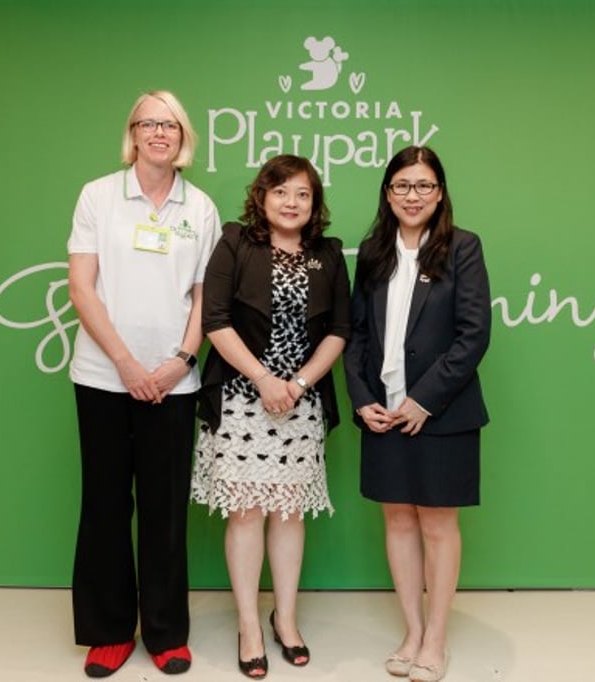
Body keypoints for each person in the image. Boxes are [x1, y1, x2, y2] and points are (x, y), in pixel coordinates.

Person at [66, 89, 220, 678]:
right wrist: (127, 364)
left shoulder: (199, 207)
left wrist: (181, 359)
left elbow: (207, 296)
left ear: (184, 139)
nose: (160, 133)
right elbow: (82, 287)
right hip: (104, 376)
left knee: (164, 511)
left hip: (174, 382)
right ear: (132, 134)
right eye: (149, 123)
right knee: (105, 504)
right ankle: (108, 631)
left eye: (172, 125)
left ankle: (165, 632)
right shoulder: (99, 197)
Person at [192, 154, 350, 679]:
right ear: (262, 197)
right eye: (281, 191)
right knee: (246, 513)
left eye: (303, 194)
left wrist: (299, 383)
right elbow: (214, 319)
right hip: (241, 395)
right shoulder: (238, 241)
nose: (291, 202)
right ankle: (248, 625)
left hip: (300, 403)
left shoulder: (328, 253)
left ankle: (286, 620)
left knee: (288, 512)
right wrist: (263, 379)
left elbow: (339, 330)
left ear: (314, 203)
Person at [343, 146, 491, 682]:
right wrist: (363, 399)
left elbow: (473, 336)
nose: (413, 195)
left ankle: (436, 638)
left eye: (424, 186)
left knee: (437, 526)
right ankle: (410, 629)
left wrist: (423, 399)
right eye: (403, 185)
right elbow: (356, 335)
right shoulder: (373, 251)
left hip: (441, 413)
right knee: (397, 520)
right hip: (382, 414)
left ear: (440, 192)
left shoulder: (463, 249)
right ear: (388, 193)